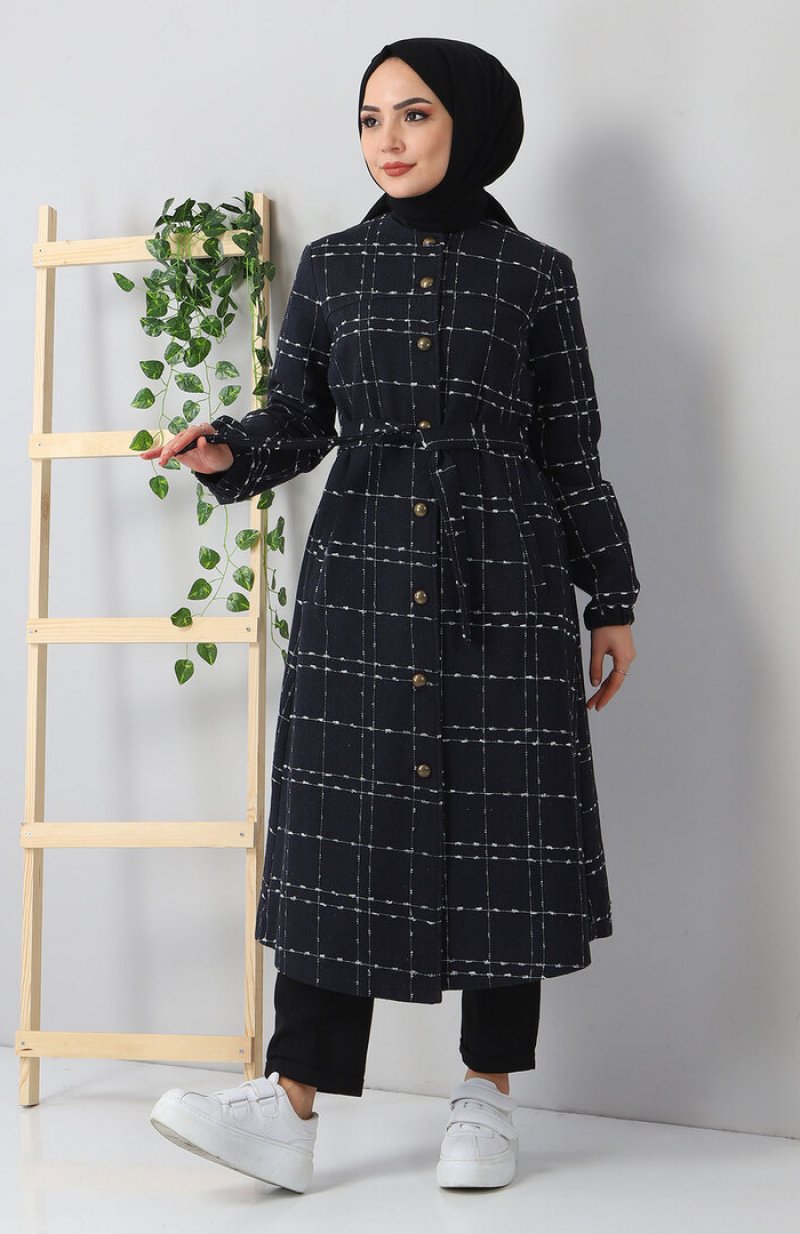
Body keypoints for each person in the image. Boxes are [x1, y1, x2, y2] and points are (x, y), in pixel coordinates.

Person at [145, 36, 640, 1194]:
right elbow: (294, 415)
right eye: (369, 119)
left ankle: (486, 1094)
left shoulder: (534, 276)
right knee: (341, 829)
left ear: (469, 121)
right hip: (361, 578)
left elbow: (569, 450)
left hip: (503, 579)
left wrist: (609, 596)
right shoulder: (330, 268)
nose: (387, 140)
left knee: (500, 831)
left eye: (413, 114)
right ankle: (288, 1104)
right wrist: (228, 449)